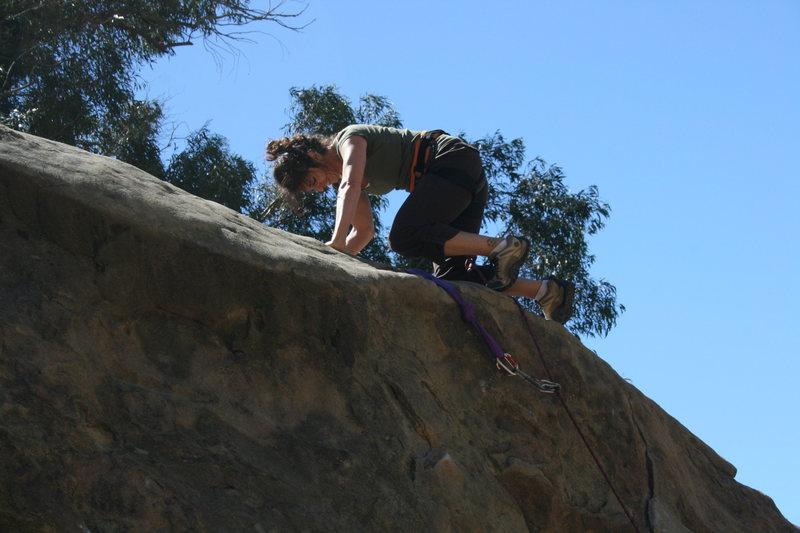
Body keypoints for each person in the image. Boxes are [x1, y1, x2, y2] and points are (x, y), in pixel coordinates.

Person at [266, 124, 574, 324]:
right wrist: (339, 261)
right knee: (457, 282)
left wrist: (333, 242)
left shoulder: (350, 140)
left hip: (451, 161)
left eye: (313, 181)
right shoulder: (347, 183)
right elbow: (364, 231)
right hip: (461, 183)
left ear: (310, 155)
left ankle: (504, 248)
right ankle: (546, 291)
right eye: (312, 190)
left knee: (404, 236)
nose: (320, 188)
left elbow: (350, 183)